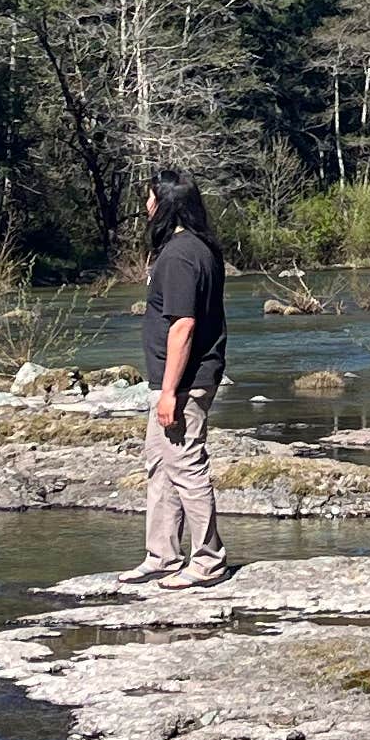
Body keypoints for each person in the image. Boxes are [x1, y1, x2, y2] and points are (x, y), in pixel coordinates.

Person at [126, 165, 230, 589]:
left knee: (186, 466)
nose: (147, 207)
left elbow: (183, 326)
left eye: (151, 199)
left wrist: (170, 391)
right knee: (160, 465)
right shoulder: (198, 248)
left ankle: (208, 560)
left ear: (166, 204)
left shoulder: (180, 255)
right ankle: (162, 555)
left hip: (183, 382)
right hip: (174, 381)